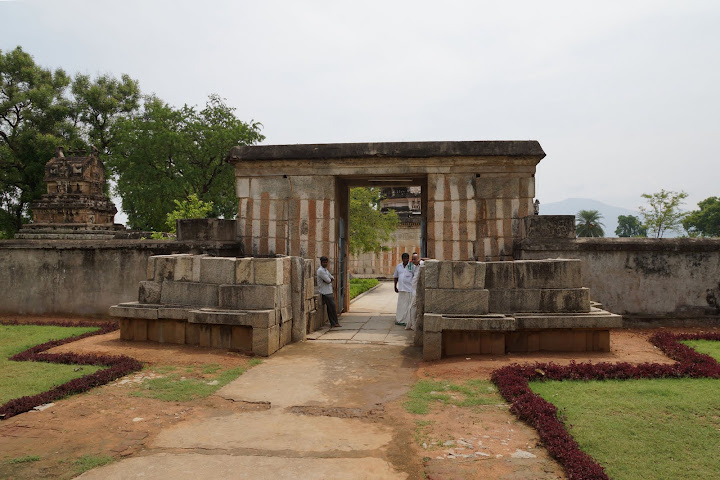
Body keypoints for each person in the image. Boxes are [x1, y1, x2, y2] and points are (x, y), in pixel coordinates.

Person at [317, 256, 340, 327]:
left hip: (329, 291)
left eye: (326, 262)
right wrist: (329, 280)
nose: (325, 263)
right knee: (332, 307)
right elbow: (328, 280)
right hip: (325, 292)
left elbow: (332, 277)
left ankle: (334, 322)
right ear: (321, 262)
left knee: (331, 308)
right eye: (324, 262)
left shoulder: (325, 270)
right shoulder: (320, 270)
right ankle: (334, 323)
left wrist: (330, 279)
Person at [393, 252, 414, 326]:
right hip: (401, 289)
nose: (405, 260)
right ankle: (400, 319)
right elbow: (396, 277)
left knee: (408, 306)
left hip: (409, 289)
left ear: (409, 259)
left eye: (407, 258)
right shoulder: (398, 266)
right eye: (404, 258)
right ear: (402, 259)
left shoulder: (411, 266)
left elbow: (415, 276)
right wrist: (395, 286)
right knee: (401, 306)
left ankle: (406, 321)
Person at [406, 252, 424, 330]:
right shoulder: (415, 266)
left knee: (411, 308)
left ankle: (413, 325)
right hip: (413, 290)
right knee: (412, 308)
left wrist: (422, 259)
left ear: (418, 259)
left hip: (417, 291)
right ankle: (412, 324)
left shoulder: (422, 264)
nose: (413, 261)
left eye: (415, 259)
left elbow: (431, 260)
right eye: (412, 259)